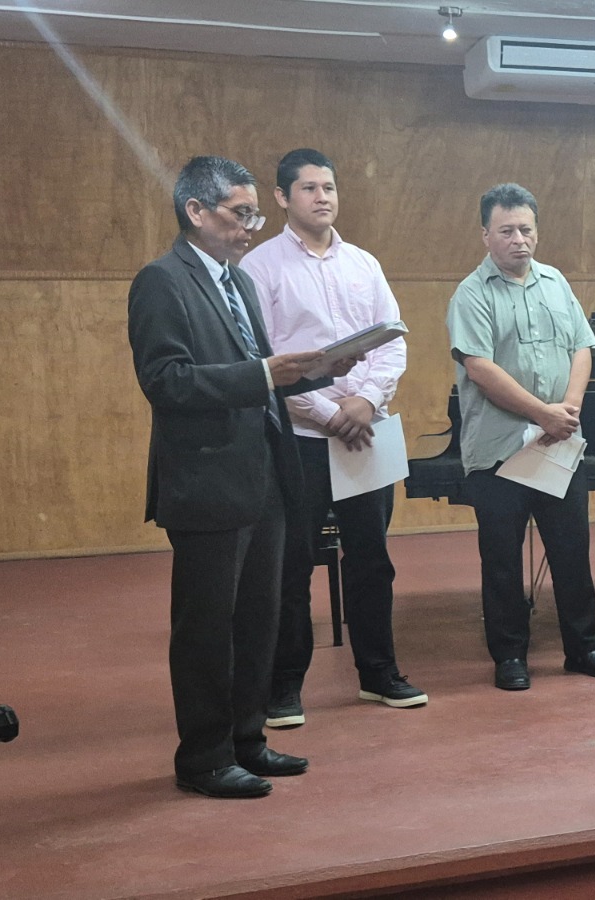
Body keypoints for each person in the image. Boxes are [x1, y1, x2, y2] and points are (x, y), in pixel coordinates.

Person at [127, 156, 356, 798]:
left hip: (265, 477)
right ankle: (203, 758)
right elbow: (165, 381)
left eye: (255, 214)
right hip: (206, 483)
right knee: (206, 629)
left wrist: (319, 370)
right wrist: (263, 374)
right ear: (196, 211)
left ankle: (248, 740)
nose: (252, 227)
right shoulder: (161, 282)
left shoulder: (238, 281)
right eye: (242, 213)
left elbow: (264, 377)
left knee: (259, 619)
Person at [241, 149, 426, 727]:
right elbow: (266, 359)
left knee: (372, 559)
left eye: (329, 187)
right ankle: (285, 687)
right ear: (282, 197)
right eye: (308, 188)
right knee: (293, 564)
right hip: (300, 436)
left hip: (366, 432)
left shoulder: (364, 264)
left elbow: (392, 341)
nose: (322, 197)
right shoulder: (261, 267)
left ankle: (379, 675)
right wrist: (327, 413)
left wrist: (364, 402)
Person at [446, 183, 595, 690]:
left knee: (572, 551)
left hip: (559, 444)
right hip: (499, 450)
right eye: (506, 231)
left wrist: (567, 409)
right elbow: (479, 368)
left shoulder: (556, 282)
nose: (518, 240)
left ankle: (584, 648)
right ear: (486, 235)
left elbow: (582, 347)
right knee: (502, 560)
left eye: (526, 230)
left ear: (537, 232)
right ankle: (509, 656)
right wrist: (542, 413)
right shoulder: (471, 293)